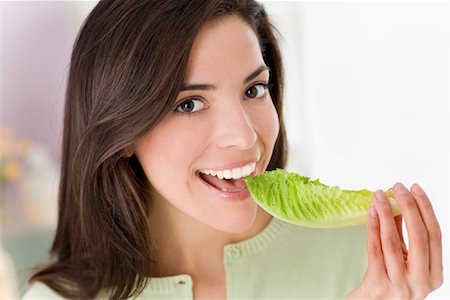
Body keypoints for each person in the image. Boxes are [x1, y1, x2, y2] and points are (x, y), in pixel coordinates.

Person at [23, 0, 443, 299]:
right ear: (122, 127)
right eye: (188, 104)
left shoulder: (370, 262)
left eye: (254, 89)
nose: (243, 137)